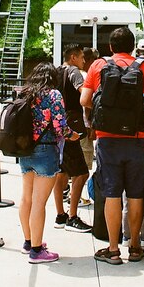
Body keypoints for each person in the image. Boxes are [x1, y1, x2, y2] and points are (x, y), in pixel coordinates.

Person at [80, 27, 144, 264]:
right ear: (134, 47)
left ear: (111, 47)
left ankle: (113, 249)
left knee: (112, 193)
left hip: (107, 139)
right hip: (138, 139)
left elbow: (84, 99)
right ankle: (135, 246)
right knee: (136, 194)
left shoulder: (98, 66)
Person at [18, 62, 81, 263]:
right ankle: (37, 251)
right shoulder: (53, 95)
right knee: (39, 202)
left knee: (26, 198)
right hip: (45, 150)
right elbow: (60, 128)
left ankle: (28, 242)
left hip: (25, 150)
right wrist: (74, 136)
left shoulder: (25, 93)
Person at [52, 44, 93, 233]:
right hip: (72, 127)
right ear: (74, 57)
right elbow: (83, 95)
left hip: (57, 126)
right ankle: (72, 216)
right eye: (82, 57)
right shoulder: (74, 72)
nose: (84, 61)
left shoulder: (55, 72)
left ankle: (60, 215)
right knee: (82, 172)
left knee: (61, 172)